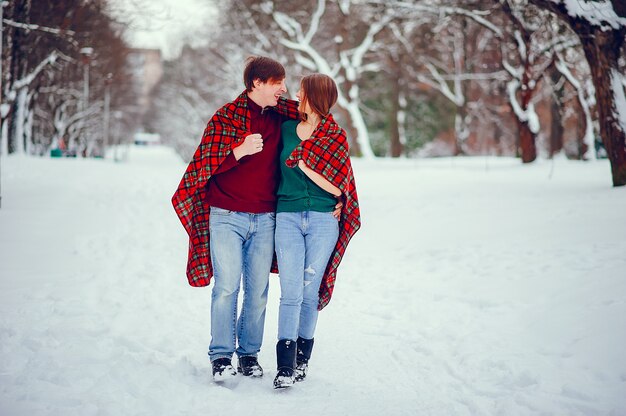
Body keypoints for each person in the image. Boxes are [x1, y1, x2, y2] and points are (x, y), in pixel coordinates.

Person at [171, 56, 299, 382]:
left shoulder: (283, 116)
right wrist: (238, 151)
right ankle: (221, 357)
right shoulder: (226, 117)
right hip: (226, 215)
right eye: (277, 83)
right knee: (227, 287)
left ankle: (249, 355)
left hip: (265, 217)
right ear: (257, 82)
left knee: (257, 291)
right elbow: (203, 165)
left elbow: (316, 125)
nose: (283, 89)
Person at [272, 74, 361, 389]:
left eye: (302, 90)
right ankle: (283, 366)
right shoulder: (285, 129)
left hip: (324, 220)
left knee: (310, 293)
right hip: (288, 216)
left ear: (315, 96)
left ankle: (301, 362)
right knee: (291, 292)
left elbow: (338, 187)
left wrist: (305, 164)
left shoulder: (335, 135)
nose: (296, 94)